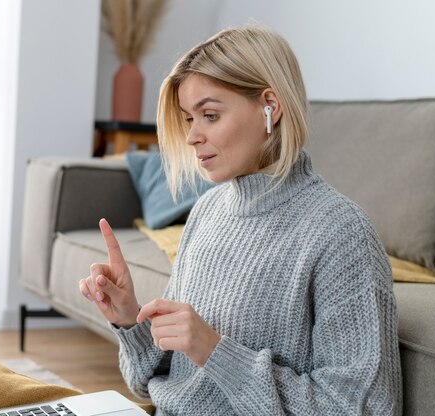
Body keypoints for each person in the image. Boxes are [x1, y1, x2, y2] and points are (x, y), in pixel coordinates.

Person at [79, 24, 402, 415]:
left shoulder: (341, 233)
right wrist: (132, 322)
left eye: (210, 115)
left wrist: (216, 351)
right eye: (187, 120)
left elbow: (364, 408)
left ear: (271, 106)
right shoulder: (207, 211)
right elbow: (160, 381)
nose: (193, 136)